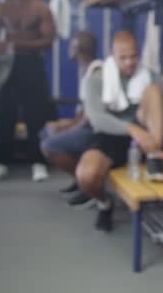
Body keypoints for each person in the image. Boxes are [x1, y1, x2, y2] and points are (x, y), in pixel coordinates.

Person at [75, 30, 163, 232]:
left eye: (134, 56)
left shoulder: (151, 76)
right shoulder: (98, 78)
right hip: (111, 136)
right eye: (123, 58)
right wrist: (130, 129)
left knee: (155, 90)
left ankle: (155, 158)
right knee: (86, 176)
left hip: (147, 138)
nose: (130, 62)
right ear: (112, 55)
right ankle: (104, 204)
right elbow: (96, 117)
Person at [0, 0, 56, 182]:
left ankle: (38, 162)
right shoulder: (2, 8)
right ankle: (0, 162)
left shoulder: (40, 8)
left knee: (36, 114)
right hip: (9, 64)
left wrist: (17, 43)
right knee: (4, 111)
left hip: (32, 63)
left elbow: (48, 40)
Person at [40, 30, 99, 209]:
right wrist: (67, 124)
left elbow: (91, 117)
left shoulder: (96, 71)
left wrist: (70, 129)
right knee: (47, 131)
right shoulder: (86, 69)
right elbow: (83, 111)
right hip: (88, 126)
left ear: (78, 48)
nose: (68, 49)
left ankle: (87, 186)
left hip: (96, 131)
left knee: (49, 146)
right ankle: (78, 178)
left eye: (71, 45)